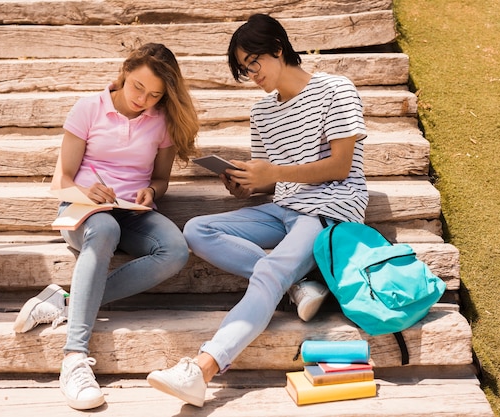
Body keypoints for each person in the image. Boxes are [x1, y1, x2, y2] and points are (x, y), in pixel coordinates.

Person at [146, 14, 369, 407]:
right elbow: (270, 179)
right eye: (244, 69)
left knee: (268, 269)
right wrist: (245, 183)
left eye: (254, 63)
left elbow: (340, 165)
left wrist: (275, 173)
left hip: (329, 210)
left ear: (279, 49)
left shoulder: (336, 90)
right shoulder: (262, 112)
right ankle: (297, 285)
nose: (252, 74)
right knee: (197, 230)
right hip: (283, 208)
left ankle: (202, 369)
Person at [12, 43, 200, 410]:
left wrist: (150, 190)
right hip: (83, 210)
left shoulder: (162, 120)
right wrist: (86, 190)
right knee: (105, 230)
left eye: (155, 95)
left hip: (132, 212)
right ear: (124, 72)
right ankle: (74, 359)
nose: (143, 99)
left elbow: (161, 180)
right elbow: (62, 180)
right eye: (137, 88)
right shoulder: (88, 109)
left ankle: (64, 301)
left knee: (175, 251)